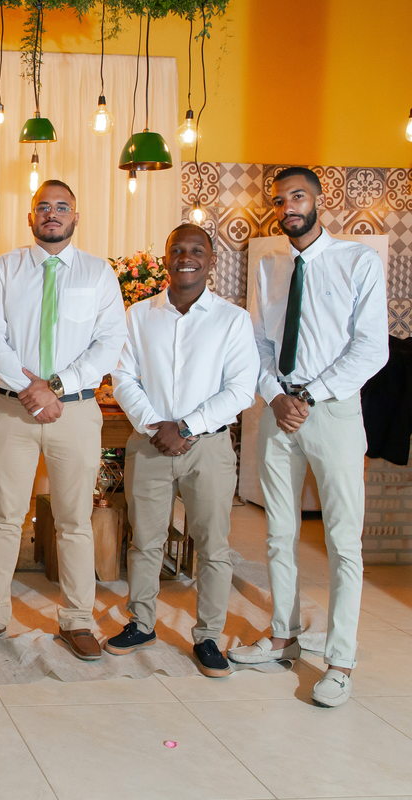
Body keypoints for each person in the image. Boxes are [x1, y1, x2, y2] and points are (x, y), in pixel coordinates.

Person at [229, 167, 388, 707]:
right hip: (279, 411)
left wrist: (310, 397)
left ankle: (340, 661)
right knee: (278, 533)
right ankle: (283, 635)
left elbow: (372, 348)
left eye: (298, 196)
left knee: (344, 541)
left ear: (320, 201)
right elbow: (258, 345)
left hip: (333, 412)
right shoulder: (271, 267)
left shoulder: (358, 262)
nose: (288, 206)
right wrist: (275, 396)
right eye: (280, 200)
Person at [0, 180, 127, 660]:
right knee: (3, 517)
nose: (52, 214)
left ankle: (77, 620)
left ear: (76, 217)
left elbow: (109, 341)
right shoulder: (5, 269)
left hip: (74, 412)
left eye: (62, 207)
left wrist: (54, 387)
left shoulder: (98, 275)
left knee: (75, 519)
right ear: (29, 217)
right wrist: (34, 391)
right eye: (43, 207)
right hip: (12, 409)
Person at [107, 223, 259, 677]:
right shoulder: (138, 315)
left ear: (211, 261)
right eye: (178, 249)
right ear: (167, 259)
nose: (186, 257)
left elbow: (241, 389)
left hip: (208, 447)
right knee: (145, 541)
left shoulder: (233, 320)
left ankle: (209, 635)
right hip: (150, 442)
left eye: (197, 250)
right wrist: (156, 426)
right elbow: (122, 376)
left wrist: (187, 426)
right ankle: (141, 622)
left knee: (213, 545)